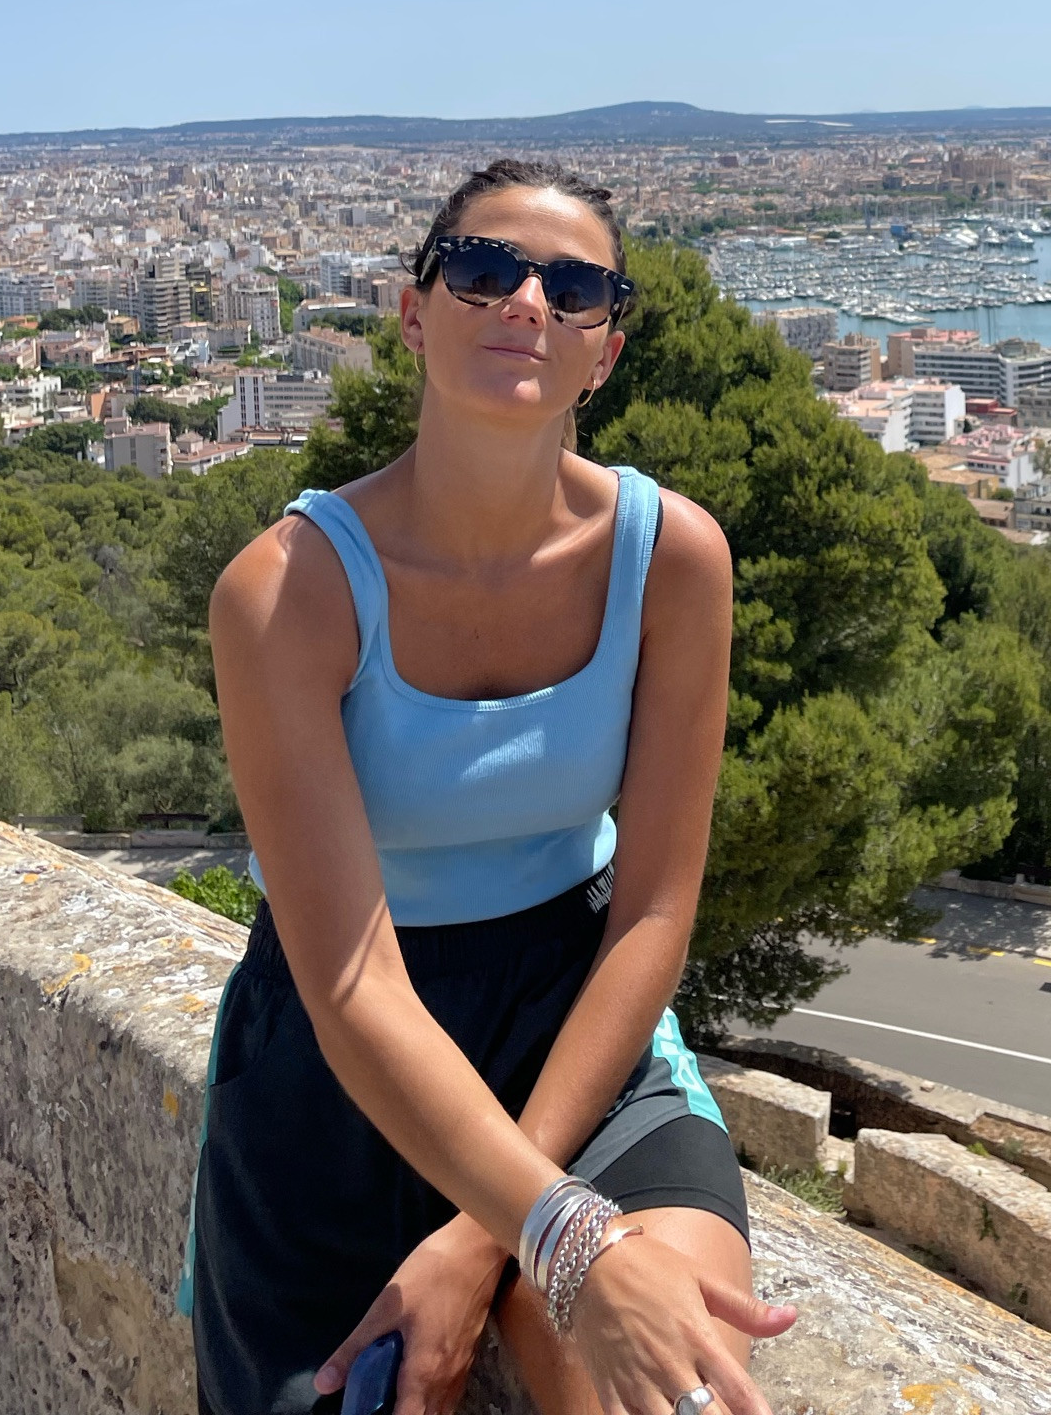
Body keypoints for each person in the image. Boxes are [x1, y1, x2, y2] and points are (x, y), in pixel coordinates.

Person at [190, 158, 794, 1415]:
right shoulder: (287, 590)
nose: (526, 301)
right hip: (339, 1063)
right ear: (415, 314)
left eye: (575, 290)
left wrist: (500, 1234)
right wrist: (555, 1231)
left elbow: (654, 909)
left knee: (670, 1388)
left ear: (603, 354)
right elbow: (351, 983)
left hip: (577, 1025)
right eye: (481, 269)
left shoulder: (673, 558)